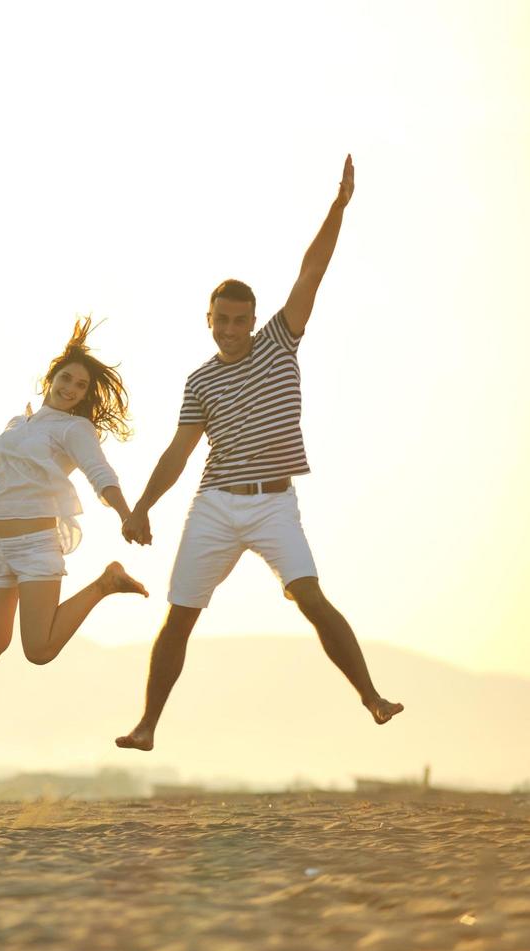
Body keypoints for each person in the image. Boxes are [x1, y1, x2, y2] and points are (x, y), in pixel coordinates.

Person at [116, 155, 403, 751]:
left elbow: (311, 272)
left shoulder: (279, 340)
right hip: (216, 505)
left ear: (253, 319)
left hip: (275, 505)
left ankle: (372, 698)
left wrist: (339, 207)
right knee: (179, 617)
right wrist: (141, 507)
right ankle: (146, 726)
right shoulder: (199, 382)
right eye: (222, 320)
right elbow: (179, 451)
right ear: (209, 320)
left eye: (240, 320)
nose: (231, 330)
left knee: (311, 598)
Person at [0, 319, 148, 666]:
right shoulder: (16, 424)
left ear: (84, 395)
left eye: (80, 386)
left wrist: (127, 514)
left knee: (39, 650)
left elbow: (101, 474)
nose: (70, 388)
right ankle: (103, 582)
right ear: (49, 379)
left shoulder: (74, 428)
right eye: (66, 378)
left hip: (34, 544)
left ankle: (105, 583)